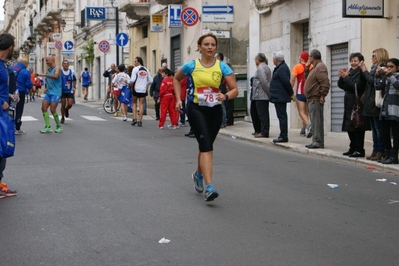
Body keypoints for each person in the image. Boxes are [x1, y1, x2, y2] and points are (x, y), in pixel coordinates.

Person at [173, 33, 239, 202]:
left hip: (215, 109)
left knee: (205, 146)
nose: (210, 47)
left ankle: (198, 174)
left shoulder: (222, 67)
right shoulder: (192, 65)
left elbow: (234, 89)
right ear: (200, 47)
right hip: (196, 108)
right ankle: (209, 187)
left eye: (212, 45)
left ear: (215, 47)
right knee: (207, 146)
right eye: (206, 44)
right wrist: (179, 99)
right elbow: (176, 79)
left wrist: (225, 96)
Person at [360, 48, 389, 161]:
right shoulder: (374, 68)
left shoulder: (381, 68)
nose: (372, 58)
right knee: (374, 128)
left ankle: (380, 150)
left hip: (376, 103)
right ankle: (375, 149)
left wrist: (365, 71)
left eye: (374, 56)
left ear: (379, 56)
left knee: (378, 129)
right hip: (370, 101)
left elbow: (373, 82)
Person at [338, 52, 367, 157]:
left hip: (357, 102)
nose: (353, 63)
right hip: (348, 101)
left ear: (360, 62)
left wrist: (346, 78)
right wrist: (342, 77)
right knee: (349, 126)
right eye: (352, 61)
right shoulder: (350, 71)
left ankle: (359, 149)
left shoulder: (361, 73)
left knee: (357, 126)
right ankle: (352, 147)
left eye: (355, 61)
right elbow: (341, 85)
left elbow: (357, 86)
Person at [0, 32, 17, 198]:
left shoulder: (3, 65)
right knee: (1, 150)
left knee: (3, 150)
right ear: (10, 47)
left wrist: (9, 96)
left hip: (2, 112)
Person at [304, 49, 331, 149]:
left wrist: (322, 95)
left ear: (313, 57)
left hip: (316, 98)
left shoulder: (320, 67)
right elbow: (307, 79)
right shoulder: (314, 67)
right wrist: (306, 69)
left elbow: (325, 82)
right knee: (314, 121)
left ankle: (318, 141)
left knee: (317, 121)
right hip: (311, 98)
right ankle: (315, 140)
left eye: (309, 57)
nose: (308, 59)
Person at [374, 58, 399, 164]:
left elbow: (397, 85)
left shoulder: (395, 77)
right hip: (385, 109)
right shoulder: (387, 77)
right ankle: (387, 153)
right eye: (387, 66)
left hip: (395, 109)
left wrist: (389, 75)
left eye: (391, 67)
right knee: (384, 133)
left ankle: (394, 156)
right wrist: (378, 75)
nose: (388, 68)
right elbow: (378, 86)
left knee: (396, 133)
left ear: (397, 68)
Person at [270, 51, 293, 143]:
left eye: (273, 58)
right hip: (278, 96)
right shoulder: (279, 68)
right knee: (281, 116)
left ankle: (283, 135)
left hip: (280, 97)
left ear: (276, 59)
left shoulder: (282, 68)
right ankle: (282, 134)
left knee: (282, 116)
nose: (272, 60)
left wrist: (291, 93)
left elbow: (286, 82)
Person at [291, 51, 312, 137]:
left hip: (300, 92)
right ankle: (304, 129)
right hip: (309, 92)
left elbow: (292, 80)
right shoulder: (311, 66)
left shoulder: (297, 67)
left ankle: (309, 125)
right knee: (306, 111)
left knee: (301, 112)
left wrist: (290, 91)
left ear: (301, 58)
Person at [39, 56, 63, 133]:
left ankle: (58, 126)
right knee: (43, 108)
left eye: (47, 61)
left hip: (56, 92)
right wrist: (46, 87)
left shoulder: (57, 68)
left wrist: (44, 75)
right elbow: (49, 81)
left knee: (52, 109)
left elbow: (56, 76)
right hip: (49, 92)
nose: (46, 62)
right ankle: (48, 126)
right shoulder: (49, 70)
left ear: (52, 60)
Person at [9, 58, 33, 135]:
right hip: (20, 92)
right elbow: (28, 84)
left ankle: (9, 126)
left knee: (10, 109)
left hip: (10, 92)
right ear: (25, 64)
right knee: (19, 110)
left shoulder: (10, 68)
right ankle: (17, 128)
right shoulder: (25, 71)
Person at [251, 52, 271, 138]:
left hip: (261, 95)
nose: (255, 61)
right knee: (257, 113)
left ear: (258, 60)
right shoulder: (265, 67)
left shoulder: (261, 68)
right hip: (259, 95)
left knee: (262, 114)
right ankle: (259, 130)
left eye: (255, 59)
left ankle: (264, 131)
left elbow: (265, 82)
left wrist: (269, 93)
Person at [129, 56, 153, 127]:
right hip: (143, 89)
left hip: (136, 88)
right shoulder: (146, 69)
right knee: (141, 105)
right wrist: (146, 84)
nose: (134, 63)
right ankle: (140, 121)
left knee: (134, 103)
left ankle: (134, 119)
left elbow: (132, 80)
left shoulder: (135, 69)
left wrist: (128, 82)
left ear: (139, 61)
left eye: (135, 61)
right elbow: (151, 80)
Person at [60, 59, 77, 124]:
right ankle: (62, 117)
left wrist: (74, 87)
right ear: (62, 65)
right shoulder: (60, 72)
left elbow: (74, 80)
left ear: (69, 65)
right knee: (63, 104)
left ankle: (67, 109)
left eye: (67, 64)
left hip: (70, 90)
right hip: (62, 90)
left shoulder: (72, 72)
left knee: (70, 104)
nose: (66, 65)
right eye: (64, 63)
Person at [215, 52, 228, 128]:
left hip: (221, 87)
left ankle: (223, 122)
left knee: (221, 105)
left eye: (215, 57)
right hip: (219, 87)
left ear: (219, 58)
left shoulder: (222, 66)